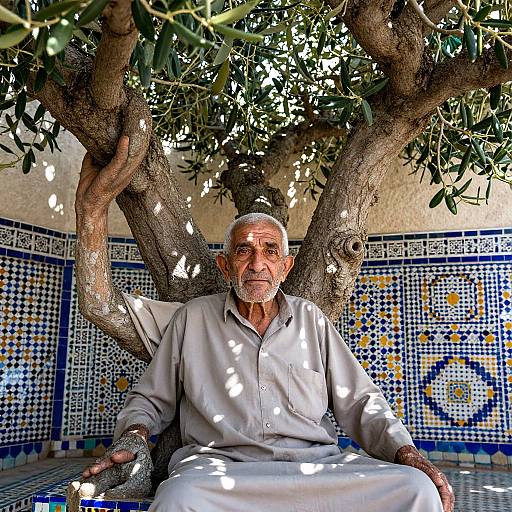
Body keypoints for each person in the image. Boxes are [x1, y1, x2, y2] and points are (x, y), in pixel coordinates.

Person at [78, 138, 454, 512]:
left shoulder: (310, 319)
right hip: (220, 471)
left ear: (285, 267)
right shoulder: (193, 319)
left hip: (317, 469)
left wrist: (407, 453)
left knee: (416, 489)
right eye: (244, 251)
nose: (257, 263)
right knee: (179, 498)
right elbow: (148, 399)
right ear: (226, 266)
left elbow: (360, 402)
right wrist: (134, 436)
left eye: (270, 251)